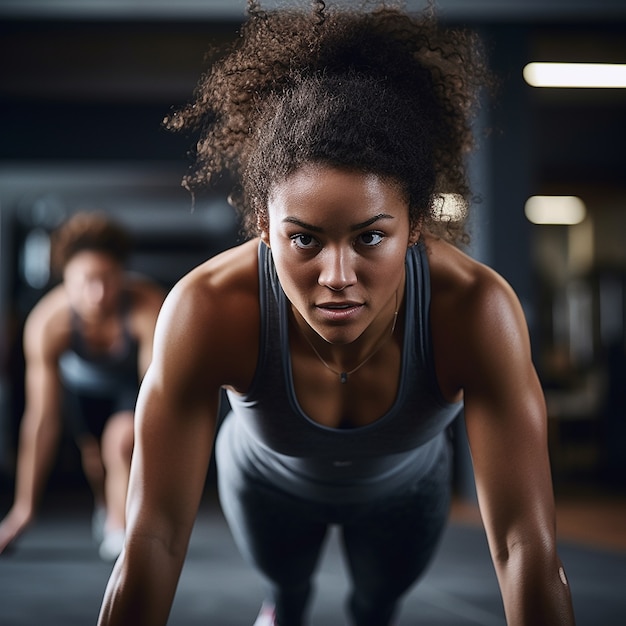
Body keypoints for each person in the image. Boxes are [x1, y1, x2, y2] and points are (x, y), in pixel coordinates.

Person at [98, 1, 576, 624]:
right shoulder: (208, 308)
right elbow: (150, 540)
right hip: (265, 485)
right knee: (289, 600)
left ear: (416, 227)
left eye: (371, 237)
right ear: (265, 229)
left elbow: (526, 550)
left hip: (406, 492)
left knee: (375, 610)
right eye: (305, 240)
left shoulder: (475, 310)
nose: (338, 277)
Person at [0, 212, 164, 561]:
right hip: (83, 390)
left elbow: (158, 394)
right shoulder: (48, 323)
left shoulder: (147, 307)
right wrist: (22, 512)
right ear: (66, 279)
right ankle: (107, 507)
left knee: (121, 442)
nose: (99, 293)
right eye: (87, 280)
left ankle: (119, 526)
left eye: (108, 278)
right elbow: (41, 421)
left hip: (129, 386)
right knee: (95, 459)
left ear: (122, 275)